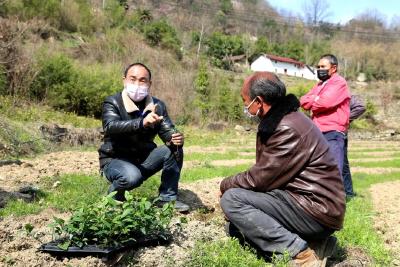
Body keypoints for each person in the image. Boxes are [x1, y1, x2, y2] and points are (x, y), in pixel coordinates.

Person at [219, 72, 346, 266]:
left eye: (246, 102)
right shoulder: (291, 119)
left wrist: (225, 185)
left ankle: (301, 254)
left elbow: (259, 179)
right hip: (312, 205)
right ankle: (318, 244)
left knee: (232, 200)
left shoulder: (286, 127)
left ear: (259, 101)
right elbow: (267, 172)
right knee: (236, 228)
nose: (246, 107)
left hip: (315, 209)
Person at [98, 62, 189, 212]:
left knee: (175, 148)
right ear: (124, 80)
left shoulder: (158, 105)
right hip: (115, 159)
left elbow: (167, 129)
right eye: (132, 79)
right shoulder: (112, 102)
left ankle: (167, 199)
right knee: (132, 177)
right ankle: (113, 196)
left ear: (149, 83)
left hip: (143, 159)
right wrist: (141, 123)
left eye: (142, 80)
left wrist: (175, 137)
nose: (137, 84)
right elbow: (110, 126)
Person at [300, 54, 351, 196]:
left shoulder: (339, 83)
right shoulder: (320, 85)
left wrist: (314, 101)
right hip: (318, 130)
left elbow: (325, 102)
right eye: (318, 67)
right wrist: (315, 99)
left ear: (333, 68)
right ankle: (328, 197)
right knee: (320, 166)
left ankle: (335, 201)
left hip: (332, 130)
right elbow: (303, 101)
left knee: (333, 167)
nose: (319, 69)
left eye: (323, 67)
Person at [343, 95, 366, 198]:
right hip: (322, 132)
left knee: (343, 164)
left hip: (339, 132)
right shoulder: (322, 94)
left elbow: (360, 107)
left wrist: (343, 119)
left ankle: (348, 192)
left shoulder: (345, 97)